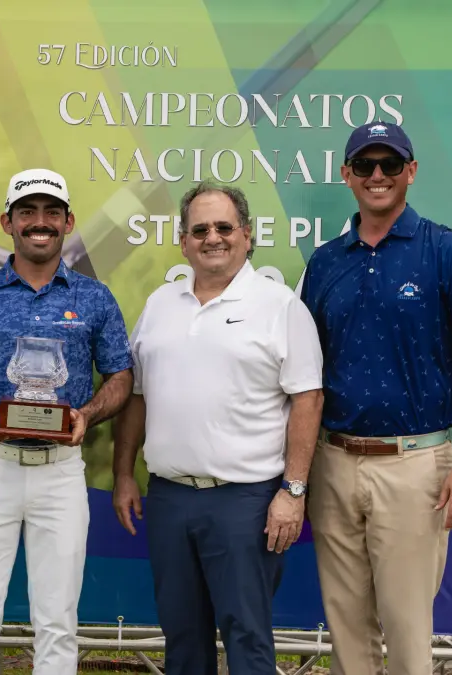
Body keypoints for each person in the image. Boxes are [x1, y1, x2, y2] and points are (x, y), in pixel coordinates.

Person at [299, 122, 452, 675]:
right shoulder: (324, 262)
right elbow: (306, 374)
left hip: (415, 466)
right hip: (334, 462)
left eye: (390, 164)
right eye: (364, 165)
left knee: (408, 632)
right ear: (346, 175)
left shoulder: (449, 253)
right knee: (345, 629)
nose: (377, 176)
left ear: (410, 172)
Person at [111, 182, 324, 674]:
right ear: (183, 240)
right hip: (169, 497)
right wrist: (124, 474)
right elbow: (138, 396)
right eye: (200, 229)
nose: (213, 238)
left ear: (247, 236)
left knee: (247, 636)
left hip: (245, 500)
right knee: (181, 636)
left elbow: (308, 399)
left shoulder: (280, 306)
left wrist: (293, 490)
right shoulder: (160, 304)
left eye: (225, 227)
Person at [0, 168, 133, 674]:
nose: (39, 222)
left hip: (62, 471)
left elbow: (121, 376)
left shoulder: (94, 298)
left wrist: (87, 414)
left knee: (58, 623)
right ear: (7, 221)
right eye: (27, 212)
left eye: (51, 213)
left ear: (68, 222)